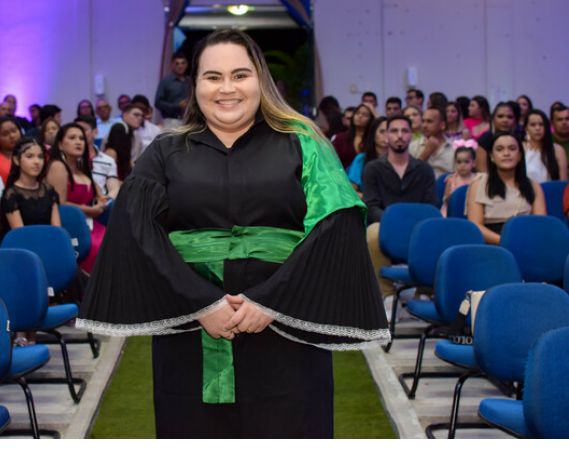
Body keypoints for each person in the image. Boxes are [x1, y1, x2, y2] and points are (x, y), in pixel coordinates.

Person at [75, 28, 389, 439]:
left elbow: (336, 223)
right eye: (213, 76)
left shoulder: (305, 143)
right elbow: (136, 227)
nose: (227, 88)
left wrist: (271, 301)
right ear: (194, 85)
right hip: (190, 333)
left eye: (240, 75)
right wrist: (201, 303)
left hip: (286, 330)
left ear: (261, 80)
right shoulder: (166, 151)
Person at [362, 115, 437, 300]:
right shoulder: (372, 169)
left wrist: (411, 226)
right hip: (385, 226)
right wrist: (394, 225)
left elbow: (431, 206)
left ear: (412, 136)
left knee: (436, 232)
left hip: (419, 228)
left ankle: (423, 292)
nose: (399, 135)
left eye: (405, 131)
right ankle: (386, 294)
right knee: (372, 232)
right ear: (386, 136)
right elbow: (371, 206)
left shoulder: (424, 170)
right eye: (394, 131)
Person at [0, 137, 61, 345]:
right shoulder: (11, 193)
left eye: (40, 157)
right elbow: (19, 235)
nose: (36, 162)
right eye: (30, 156)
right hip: (19, 254)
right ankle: (23, 333)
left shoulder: (49, 191)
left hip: (47, 250)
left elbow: (56, 230)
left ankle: (31, 333)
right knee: (27, 270)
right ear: (17, 160)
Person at [45, 123, 107, 274]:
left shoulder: (82, 168)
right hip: (71, 225)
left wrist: (101, 198)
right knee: (101, 246)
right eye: (72, 138)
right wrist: (89, 210)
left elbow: (98, 192)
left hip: (92, 224)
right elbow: (59, 204)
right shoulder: (58, 166)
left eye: (81, 138)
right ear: (60, 145)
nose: (78, 142)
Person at [467, 132, 546, 245]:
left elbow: (541, 224)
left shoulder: (533, 186)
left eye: (512, 149)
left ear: (519, 155)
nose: (506, 153)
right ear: (492, 156)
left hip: (527, 242)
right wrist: (505, 242)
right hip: (492, 244)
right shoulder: (479, 184)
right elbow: (475, 225)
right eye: (500, 149)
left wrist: (524, 243)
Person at [75, 116, 121, 201]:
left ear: (95, 132)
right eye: (75, 130)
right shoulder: (68, 159)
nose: (79, 134)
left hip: (101, 201)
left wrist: (106, 201)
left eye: (83, 130)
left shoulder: (108, 160)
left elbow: (114, 188)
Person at [409, 106, 455, 178]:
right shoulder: (413, 146)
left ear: (442, 125)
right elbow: (409, 175)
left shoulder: (454, 148)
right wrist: (426, 153)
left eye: (429, 121)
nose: (424, 125)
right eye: (423, 121)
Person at [347, 116, 388, 196]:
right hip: (366, 201)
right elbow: (352, 192)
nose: (386, 135)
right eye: (382, 131)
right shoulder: (361, 159)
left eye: (390, 131)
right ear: (373, 134)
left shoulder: (399, 160)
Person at [523, 109, 567, 182]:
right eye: (533, 125)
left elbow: (563, 183)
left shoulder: (558, 150)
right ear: (526, 128)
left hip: (552, 189)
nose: (537, 128)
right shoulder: (520, 148)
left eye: (541, 124)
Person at [104, 104, 145, 181]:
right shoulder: (115, 131)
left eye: (142, 116)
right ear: (125, 115)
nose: (140, 118)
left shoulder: (138, 138)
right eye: (136, 115)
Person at [475, 102, 517, 173]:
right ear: (493, 120)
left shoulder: (517, 140)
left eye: (510, 117)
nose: (505, 120)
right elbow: (482, 171)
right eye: (500, 116)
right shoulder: (484, 140)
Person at [332, 103, 375, 170]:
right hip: (344, 174)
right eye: (357, 113)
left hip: (369, 174)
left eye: (365, 115)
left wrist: (374, 113)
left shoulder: (374, 138)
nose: (360, 116)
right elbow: (332, 159)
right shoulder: (340, 138)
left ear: (370, 119)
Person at [441, 140, 478, 217]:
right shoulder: (451, 180)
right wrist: (449, 197)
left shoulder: (477, 179)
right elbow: (445, 200)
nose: (462, 165)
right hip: (453, 212)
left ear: (474, 163)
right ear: (455, 162)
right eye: (459, 162)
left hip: (473, 210)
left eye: (466, 162)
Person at [155, 51, 190, 129]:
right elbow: (158, 103)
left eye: (183, 63)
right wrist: (177, 105)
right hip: (171, 121)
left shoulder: (190, 81)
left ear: (187, 64)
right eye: (177, 63)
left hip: (189, 120)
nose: (180, 66)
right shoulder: (166, 81)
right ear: (172, 64)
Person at [550, 104, 569, 176]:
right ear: (552, 124)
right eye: (559, 119)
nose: (564, 123)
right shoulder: (546, 141)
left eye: (567, 119)